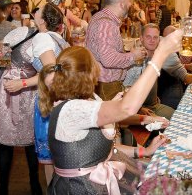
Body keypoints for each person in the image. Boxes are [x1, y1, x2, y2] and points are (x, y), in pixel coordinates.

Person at [39, 27, 182, 194]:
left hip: (98, 179)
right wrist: (161, 54)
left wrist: (145, 150)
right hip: (81, 188)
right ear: (87, 74)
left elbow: (104, 149)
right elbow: (126, 108)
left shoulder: (88, 99)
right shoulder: (72, 110)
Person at [0, 27, 42, 195]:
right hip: (9, 88)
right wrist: (0, 52)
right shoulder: (20, 32)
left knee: (32, 143)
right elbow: (3, 63)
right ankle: (3, 188)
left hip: (31, 89)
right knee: (5, 143)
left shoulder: (46, 37)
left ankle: (35, 184)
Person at [30, 3, 70, 184]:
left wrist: (22, 82)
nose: (34, 12)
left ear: (43, 20)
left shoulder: (42, 38)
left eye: (37, 10)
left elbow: (51, 74)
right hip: (64, 99)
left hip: (49, 99)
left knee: (50, 159)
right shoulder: (58, 38)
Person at [85, 0, 146, 101]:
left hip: (100, 83)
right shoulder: (106, 24)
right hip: (107, 86)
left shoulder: (99, 17)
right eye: (129, 0)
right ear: (122, 3)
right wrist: (133, 56)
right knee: (112, 119)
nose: (130, 4)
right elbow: (108, 59)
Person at [123, 24, 175, 119]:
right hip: (138, 111)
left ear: (159, 39)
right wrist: (140, 109)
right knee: (175, 120)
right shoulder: (136, 62)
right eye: (148, 37)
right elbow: (124, 91)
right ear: (141, 38)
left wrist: (154, 98)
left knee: (178, 115)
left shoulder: (156, 57)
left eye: (155, 37)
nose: (152, 40)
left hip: (154, 105)